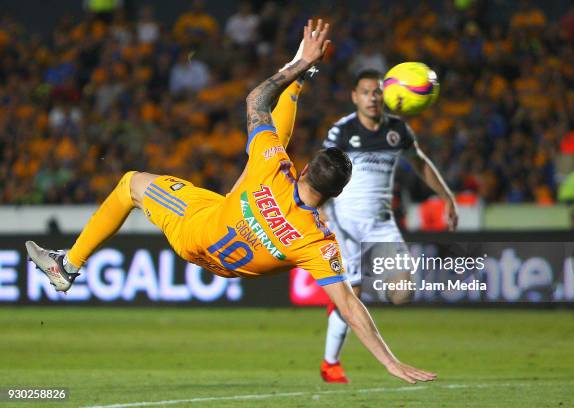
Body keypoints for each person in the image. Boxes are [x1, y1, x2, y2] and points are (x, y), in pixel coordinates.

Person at [26, 19, 436, 385]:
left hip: (195, 226)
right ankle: (298, 78)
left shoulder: (272, 171)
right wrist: (390, 361)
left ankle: (68, 266)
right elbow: (349, 307)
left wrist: (300, 66)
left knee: (131, 183)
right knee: (259, 162)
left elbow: (256, 102)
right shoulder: (317, 242)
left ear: (306, 168)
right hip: (222, 260)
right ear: (337, 194)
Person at [320, 69, 457, 383]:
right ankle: (330, 363)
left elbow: (420, 161)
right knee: (348, 297)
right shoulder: (342, 131)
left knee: (403, 294)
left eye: (377, 92)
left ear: (387, 95)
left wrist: (446, 195)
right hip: (345, 224)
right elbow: (322, 167)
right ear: (355, 96)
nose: (372, 97)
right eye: (366, 92)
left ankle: (353, 298)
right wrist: (320, 208)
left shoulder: (398, 130)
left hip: (382, 225)